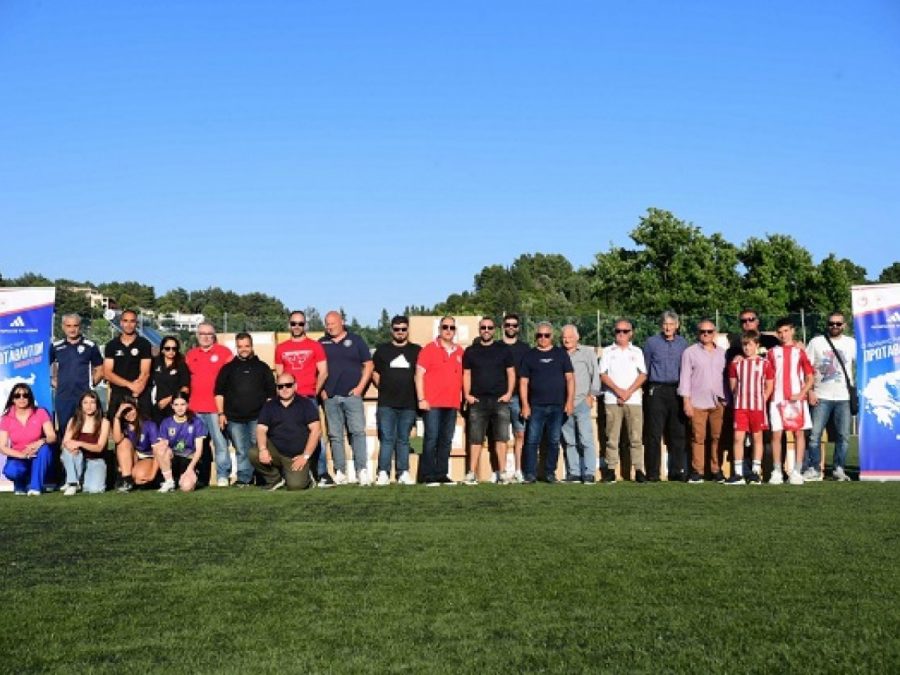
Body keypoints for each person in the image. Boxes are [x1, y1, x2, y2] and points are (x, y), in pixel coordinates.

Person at [275, 311, 330, 485]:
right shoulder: (281, 348)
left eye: (300, 323)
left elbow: (324, 372)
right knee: (288, 434)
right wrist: (284, 393)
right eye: (293, 323)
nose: (297, 327)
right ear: (289, 325)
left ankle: (322, 473)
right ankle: (290, 472)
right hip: (288, 399)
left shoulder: (315, 346)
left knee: (316, 435)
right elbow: (279, 374)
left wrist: (314, 391)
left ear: (305, 325)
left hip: (308, 397)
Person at [214, 332, 276, 487]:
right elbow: (219, 393)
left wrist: (267, 416)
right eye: (240, 346)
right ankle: (244, 478)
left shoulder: (262, 367)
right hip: (234, 418)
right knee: (241, 449)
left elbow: (271, 394)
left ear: (252, 346)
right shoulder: (227, 368)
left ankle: (262, 477)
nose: (244, 349)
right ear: (236, 347)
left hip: (258, 417)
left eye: (247, 346)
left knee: (259, 447)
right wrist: (221, 413)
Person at [319, 311, 374, 485]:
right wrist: (321, 391)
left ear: (341, 322)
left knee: (358, 433)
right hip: (330, 396)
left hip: (352, 396)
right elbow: (316, 369)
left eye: (333, 323)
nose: (330, 327)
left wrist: (360, 388)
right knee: (335, 435)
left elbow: (368, 365)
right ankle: (340, 471)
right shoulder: (321, 343)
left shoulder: (356, 340)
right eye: (327, 324)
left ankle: (362, 470)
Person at [519, 322, 574, 484]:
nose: (543, 338)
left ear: (552, 336)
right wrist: (525, 405)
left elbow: (570, 379)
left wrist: (569, 401)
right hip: (536, 406)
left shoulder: (561, 354)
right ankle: (530, 474)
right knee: (532, 441)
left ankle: (550, 473)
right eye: (539, 335)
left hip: (557, 406)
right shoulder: (529, 356)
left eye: (546, 335)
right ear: (535, 336)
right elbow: (523, 382)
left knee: (553, 441)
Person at [462, 317, 515, 485]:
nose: (486, 330)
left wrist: (508, 393)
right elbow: (466, 374)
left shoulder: (503, 350)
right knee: (475, 439)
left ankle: (502, 473)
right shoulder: (471, 351)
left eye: (489, 327)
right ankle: (471, 473)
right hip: (477, 401)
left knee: (501, 438)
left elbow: (511, 373)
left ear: (495, 330)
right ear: (479, 329)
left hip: (500, 401)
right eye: (483, 327)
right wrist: (467, 395)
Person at [804, 312, 857, 482]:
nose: (834, 326)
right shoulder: (816, 342)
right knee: (814, 435)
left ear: (844, 325)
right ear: (826, 324)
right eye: (831, 323)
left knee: (843, 436)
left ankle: (838, 469)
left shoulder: (851, 343)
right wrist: (810, 390)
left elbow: (863, 364)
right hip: (821, 395)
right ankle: (814, 468)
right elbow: (806, 368)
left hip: (844, 396)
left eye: (838, 324)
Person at [250, 374, 322, 491]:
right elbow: (261, 429)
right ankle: (275, 479)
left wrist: (305, 456)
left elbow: (316, 430)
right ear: (277, 388)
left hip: (297, 456)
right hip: (276, 452)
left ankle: (309, 476)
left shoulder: (306, 404)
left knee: (296, 486)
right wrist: (263, 449)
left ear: (295, 386)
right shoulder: (269, 406)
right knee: (254, 453)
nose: (284, 389)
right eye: (280, 386)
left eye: (288, 385)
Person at [371, 315, 420, 486]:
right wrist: (384, 387)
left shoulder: (416, 350)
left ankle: (403, 472)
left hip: (408, 403)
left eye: (403, 329)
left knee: (403, 439)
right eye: (397, 329)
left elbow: (421, 374)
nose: (400, 332)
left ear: (408, 330)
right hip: (386, 404)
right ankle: (383, 472)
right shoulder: (382, 350)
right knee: (387, 439)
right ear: (392, 330)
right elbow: (374, 372)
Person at [415, 316, 464, 486]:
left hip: (452, 403)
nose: (448, 330)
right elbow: (419, 375)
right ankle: (428, 475)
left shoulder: (460, 352)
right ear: (439, 329)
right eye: (445, 327)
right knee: (431, 438)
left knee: (446, 439)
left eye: (451, 327)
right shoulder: (428, 349)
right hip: (432, 403)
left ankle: (442, 473)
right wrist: (421, 398)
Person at [678, 319, 727, 484]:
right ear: (698, 333)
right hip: (697, 402)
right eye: (702, 331)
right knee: (698, 438)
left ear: (715, 333)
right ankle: (697, 471)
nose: (706, 334)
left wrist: (727, 399)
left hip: (718, 402)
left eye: (709, 331)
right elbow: (685, 378)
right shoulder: (689, 352)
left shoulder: (723, 353)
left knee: (717, 437)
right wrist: (686, 401)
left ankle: (716, 470)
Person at [642, 310, 689, 482]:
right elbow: (645, 367)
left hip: (677, 390)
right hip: (656, 389)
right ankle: (653, 472)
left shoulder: (683, 343)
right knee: (654, 433)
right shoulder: (651, 343)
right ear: (661, 326)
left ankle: (676, 471)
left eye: (671, 324)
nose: (668, 327)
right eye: (665, 324)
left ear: (677, 325)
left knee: (678, 433)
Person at [599, 319, 648, 483]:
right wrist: (618, 391)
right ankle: (611, 470)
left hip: (633, 400)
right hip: (612, 399)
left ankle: (639, 470)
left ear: (631, 333)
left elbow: (643, 375)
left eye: (625, 331)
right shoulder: (607, 351)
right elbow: (603, 374)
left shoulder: (637, 351)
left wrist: (628, 392)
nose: (621, 334)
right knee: (612, 437)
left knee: (636, 437)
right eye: (618, 331)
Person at [767, 317, 815, 486]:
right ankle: (777, 471)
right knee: (776, 434)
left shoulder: (799, 352)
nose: (783, 335)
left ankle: (797, 471)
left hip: (796, 400)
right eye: (780, 332)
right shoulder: (772, 352)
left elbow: (810, 377)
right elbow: (768, 377)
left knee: (799, 434)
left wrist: (802, 393)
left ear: (793, 331)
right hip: (777, 399)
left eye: (786, 331)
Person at [185, 322, 233, 487]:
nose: (205, 337)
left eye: (209, 334)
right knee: (199, 446)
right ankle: (201, 476)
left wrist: (224, 409)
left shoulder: (224, 353)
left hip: (215, 408)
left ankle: (223, 475)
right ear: (197, 336)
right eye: (202, 334)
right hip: (195, 408)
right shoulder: (191, 354)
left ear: (214, 336)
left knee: (220, 443)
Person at [724, 331, 774, 485]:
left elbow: (769, 385)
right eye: (744, 345)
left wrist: (762, 399)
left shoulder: (765, 363)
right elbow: (733, 385)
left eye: (750, 345)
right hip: (741, 407)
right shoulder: (736, 363)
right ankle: (738, 473)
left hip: (757, 407)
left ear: (757, 345)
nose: (747, 348)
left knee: (757, 438)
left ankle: (755, 473)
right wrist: (739, 398)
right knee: (738, 438)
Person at [560, 324, 601, 483]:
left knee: (586, 439)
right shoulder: (558, 353)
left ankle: (589, 473)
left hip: (582, 401)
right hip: (564, 404)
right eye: (564, 337)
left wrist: (592, 395)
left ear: (577, 337)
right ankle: (574, 473)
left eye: (570, 337)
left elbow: (595, 374)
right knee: (569, 440)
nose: (567, 340)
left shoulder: (587, 353)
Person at [50, 313, 104, 436]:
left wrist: (91, 384)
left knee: (85, 430)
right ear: (63, 327)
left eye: (75, 325)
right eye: (68, 326)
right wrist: (53, 382)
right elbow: (43, 366)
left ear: (80, 327)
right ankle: (64, 449)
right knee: (64, 430)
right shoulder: (56, 347)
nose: (72, 329)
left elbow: (101, 369)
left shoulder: (90, 346)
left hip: (84, 397)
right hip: (63, 396)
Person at [0, 384, 57, 496]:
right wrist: (23, 455)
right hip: (18, 456)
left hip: (37, 454)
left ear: (30, 397)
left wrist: (40, 442)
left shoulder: (41, 412)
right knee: (11, 471)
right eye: (17, 395)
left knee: (45, 449)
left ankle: (35, 487)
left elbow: (52, 437)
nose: (21, 398)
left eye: (25, 395)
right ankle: (21, 483)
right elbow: (2, 447)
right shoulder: (6, 418)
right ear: (12, 399)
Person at [59, 391, 111, 495]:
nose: (89, 406)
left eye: (92, 402)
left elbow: (99, 447)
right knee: (68, 451)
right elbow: (65, 443)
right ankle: (72, 482)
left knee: (94, 490)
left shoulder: (104, 422)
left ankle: (79, 480)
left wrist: (80, 444)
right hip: (77, 458)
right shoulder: (74, 421)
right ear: (81, 405)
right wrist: (72, 448)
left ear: (97, 404)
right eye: (85, 402)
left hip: (95, 460)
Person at [104, 309, 153, 419]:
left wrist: (137, 389)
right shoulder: (111, 345)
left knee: (143, 426)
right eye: (125, 321)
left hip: (139, 394)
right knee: (115, 425)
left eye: (132, 321)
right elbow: (107, 373)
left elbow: (145, 372)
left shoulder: (144, 344)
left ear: (136, 323)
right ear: (121, 323)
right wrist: (129, 385)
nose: (128, 324)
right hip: (118, 394)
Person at [155, 392, 207, 493]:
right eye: (176, 405)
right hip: (173, 459)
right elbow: (163, 448)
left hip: (189, 460)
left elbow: (199, 451)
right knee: (160, 448)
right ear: (172, 406)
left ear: (187, 404)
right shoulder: (166, 422)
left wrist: (190, 468)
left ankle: (184, 479)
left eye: (183, 404)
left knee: (186, 487)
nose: (180, 408)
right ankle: (169, 481)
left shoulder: (196, 422)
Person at [501, 313, 530, 482]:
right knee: (501, 436)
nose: (511, 327)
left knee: (520, 434)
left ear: (518, 328)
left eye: (514, 325)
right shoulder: (497, 347)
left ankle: (519, 470)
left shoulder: (525, 349)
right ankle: (501, 471)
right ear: (503, 327)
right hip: (500, 399)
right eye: (508, 325)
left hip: (519, 398)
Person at [112, 395, 160, 492]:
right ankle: (127, 480)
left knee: (139, 476)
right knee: (123, 442)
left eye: (130, 410)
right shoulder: (124, 426)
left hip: (149, 457)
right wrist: (117, 417)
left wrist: (152, 474)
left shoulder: (149, 425)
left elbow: (158, 452)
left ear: (136, 407)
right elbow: (117, 440)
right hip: (135, 456)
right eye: (124, 412)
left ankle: (154, 479)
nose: (129, 414)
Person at [150, 335, 191, 423]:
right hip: (157, 406)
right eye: (167, 348)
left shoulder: (181, 365)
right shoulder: (155, 362)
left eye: (174, 348)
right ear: (162, 349)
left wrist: (168, 400)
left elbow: (185, 389)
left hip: (174, 407)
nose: (171, 351)